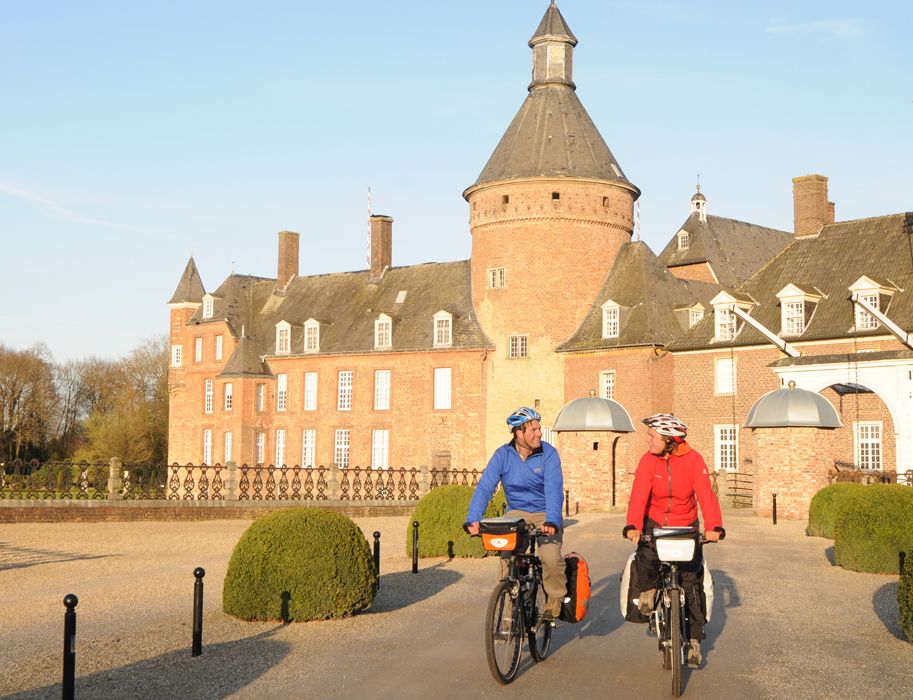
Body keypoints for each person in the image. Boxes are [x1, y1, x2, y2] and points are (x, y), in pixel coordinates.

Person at [624, 413, 724, 669]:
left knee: (691, 583)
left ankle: (693, 641)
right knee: (646, 557)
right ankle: (648, 591)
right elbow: (639, 494)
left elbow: (705, 494)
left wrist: (713, 527)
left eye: (652, 436)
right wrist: (634, 525)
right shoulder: (648, 461)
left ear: (669, 440)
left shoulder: (693, 460)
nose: (648, 440)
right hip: (655, 523)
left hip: (685, 524)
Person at [465, 406, 566, 621]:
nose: (539, 433)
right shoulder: (503, 454)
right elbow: (485, 487)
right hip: (516, 513)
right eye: (533, 430)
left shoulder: (548, 454)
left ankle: (555, 599)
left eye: (539, 428)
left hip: (545, 512)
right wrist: (473, 519)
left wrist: (552, 520)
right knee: (506, 557)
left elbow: (554, 489)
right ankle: (510, 608)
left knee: (550, 557)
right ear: (518, 433)